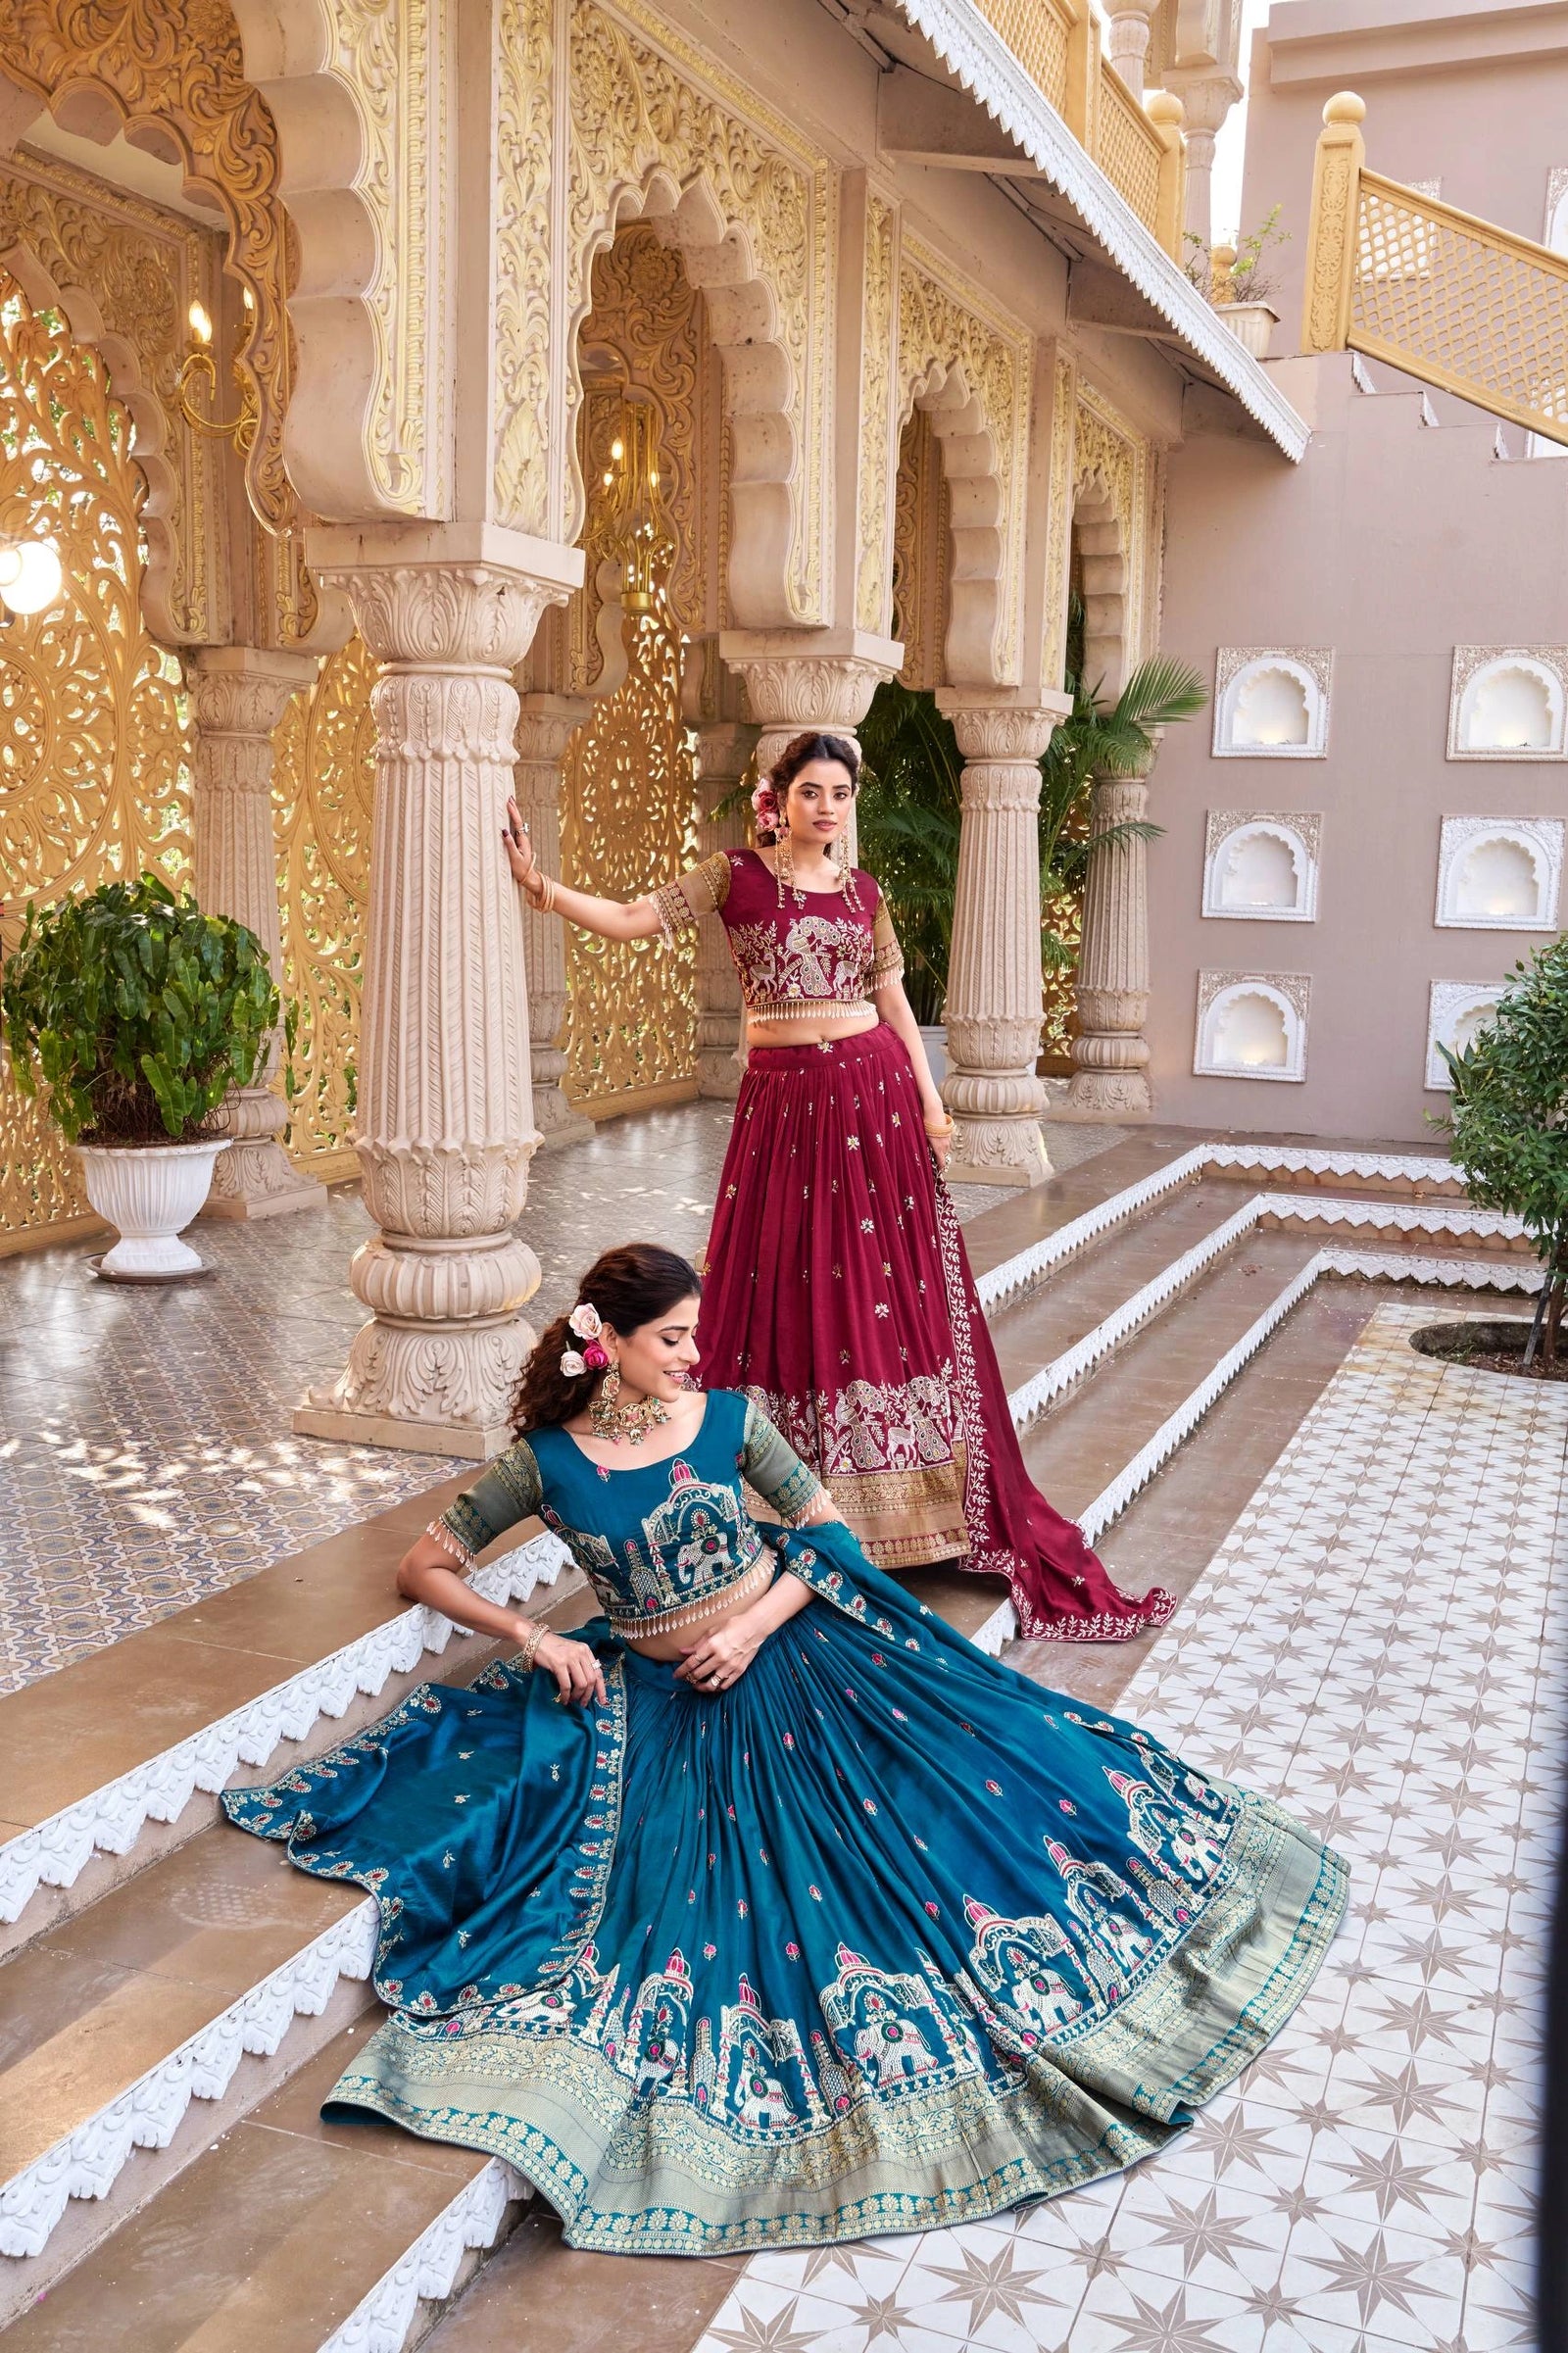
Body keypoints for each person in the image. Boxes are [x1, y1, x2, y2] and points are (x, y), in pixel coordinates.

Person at [226, 1244, 1346, 2256]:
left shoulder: (730, 1420)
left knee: (957, 1821)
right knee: (683, 1915)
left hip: (796, 1656)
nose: (689, 1353)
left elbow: (826, 1533)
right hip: (663, 1705)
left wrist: (754, 1627)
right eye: (670, 1337)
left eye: (692, 1335)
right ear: (603, 1341)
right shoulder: (544, 1465)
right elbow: (422, 1566)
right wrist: (529, 1635)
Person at [501, 731, 1172, 1642]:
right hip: (784, 1111)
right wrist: (540, 888)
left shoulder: (864, 893)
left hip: (874, 1098)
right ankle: (775, 1486)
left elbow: (894, 1002)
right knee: (783, 1276)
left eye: (841, 792)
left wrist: (933, 1102)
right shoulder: (734, 875)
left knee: (873, 1284)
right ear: (779, 798)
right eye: (811, 790)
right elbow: (632, 918)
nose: (828, 806)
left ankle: (904, 1514)